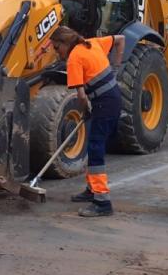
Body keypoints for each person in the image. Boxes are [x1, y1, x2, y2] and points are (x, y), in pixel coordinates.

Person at [49, 26, 125, 217]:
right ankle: (92, 189)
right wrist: (116, 68)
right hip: (112, 99)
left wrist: (85, 110)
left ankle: (102, 201)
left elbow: (81, 97)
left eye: (57, 48)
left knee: (96, 148)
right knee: (93, 144)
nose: (58, 54)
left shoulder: (74, 59)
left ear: (65, 43)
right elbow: (121, 39)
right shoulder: (92, 43)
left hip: (104, 104)